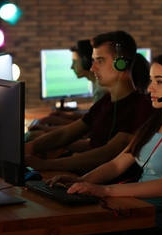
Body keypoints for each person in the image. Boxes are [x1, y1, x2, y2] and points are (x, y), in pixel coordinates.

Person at [47, 49, 162, 235]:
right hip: (134, 208)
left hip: (156, 222)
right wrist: (82, 181)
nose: (150, 88)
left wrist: (104, 190)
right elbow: (117, 164)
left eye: (160, 82)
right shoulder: (154, 122)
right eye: (151, 80)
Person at [25, 31, 154, 177]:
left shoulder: (140, 107)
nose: (92, 68)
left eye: (100, 60)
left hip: (103, 187)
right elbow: (65, 134)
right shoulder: (106, 101)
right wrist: (26, 148)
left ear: (121, 63)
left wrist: (47, 165)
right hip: (84, 179)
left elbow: (106, 154)